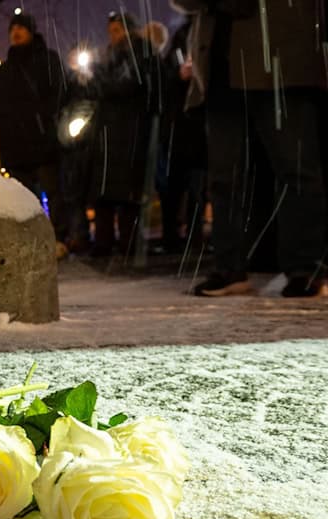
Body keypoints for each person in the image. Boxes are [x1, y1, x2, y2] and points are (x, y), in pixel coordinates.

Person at [173, 0, 326, 297]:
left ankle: (305, 268)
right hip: (219, 65)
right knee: (224, 177)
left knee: (295, 169)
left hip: (279, 57)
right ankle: (230, 267)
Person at [0, 11, 68, 250]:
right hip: (15, 144)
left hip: (42, 139)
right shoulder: (6, 68)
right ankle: (30, 240)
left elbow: (60, 92)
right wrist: (0, 123)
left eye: (21, 28)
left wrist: (43, 117)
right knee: (22, 198)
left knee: (54, 192)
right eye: (12, 28)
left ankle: (58, 238)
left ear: (31, 31)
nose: (16, 32)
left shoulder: (47, 59)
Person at [86, 11, 157, 258]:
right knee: (104, 192)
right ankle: (104, 242)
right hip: (109, 134)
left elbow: (127, 84)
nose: (113, 36)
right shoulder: (110, 58)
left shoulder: (139, 53)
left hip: (129, 132)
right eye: (111, 31)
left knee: (127, 194)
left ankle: (128, 242)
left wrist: (98, 79)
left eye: (118, 30)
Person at [156, 16, 207, 255]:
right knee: (174, 189)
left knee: (197, 188)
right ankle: (173, 236)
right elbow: (166, 79)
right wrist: (179, 75)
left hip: (197, 129)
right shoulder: (183, 36)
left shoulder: (206, 29)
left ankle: (193, 238)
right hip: (181, 131)